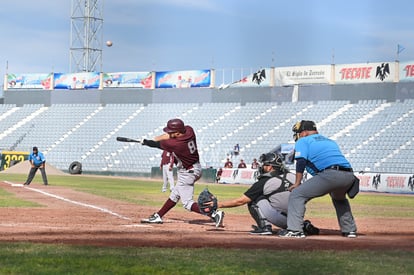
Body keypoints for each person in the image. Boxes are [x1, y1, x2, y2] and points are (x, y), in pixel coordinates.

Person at [279, 120, 357, 238]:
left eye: (298, 133)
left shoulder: (303, 140)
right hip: (349, 176)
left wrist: (297, 183)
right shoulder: (330, 141)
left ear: (304, 132)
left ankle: (295, 230)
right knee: (339, 199)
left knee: (297, 194)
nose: (298, 135)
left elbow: (301, 161)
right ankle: (350, 230)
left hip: (330, 174)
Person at [208, 152, 318, 235]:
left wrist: (218, 204)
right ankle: (303, 225)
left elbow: (241, 201)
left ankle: (264, 227)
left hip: (281, 218)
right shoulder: (294, 177)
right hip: (297, 217)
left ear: (270, 167)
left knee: (254, 199)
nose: (262, 167)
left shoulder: (264, 181)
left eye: (264, 164)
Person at [141, 118, 224, 227]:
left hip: (187, 172)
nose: (169, 134)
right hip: (196, 167)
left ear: (178, 132)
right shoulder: (189, 130)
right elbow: (167, 137)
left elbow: (157, 144)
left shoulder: (176, 144)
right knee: (175, 195)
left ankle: (214, 214)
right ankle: (158, 215)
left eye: (171, 132)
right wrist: (153, 139)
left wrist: (146, 142)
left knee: (187, 203)